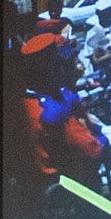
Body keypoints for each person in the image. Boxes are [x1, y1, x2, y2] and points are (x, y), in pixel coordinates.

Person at [19, 33, 105, 186]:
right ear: (51, 70)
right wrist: (104, 139)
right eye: (60, 66)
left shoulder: (30, 99)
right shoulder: (51, 111)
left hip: (42, 179)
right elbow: (91, 149)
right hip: (67, 183)